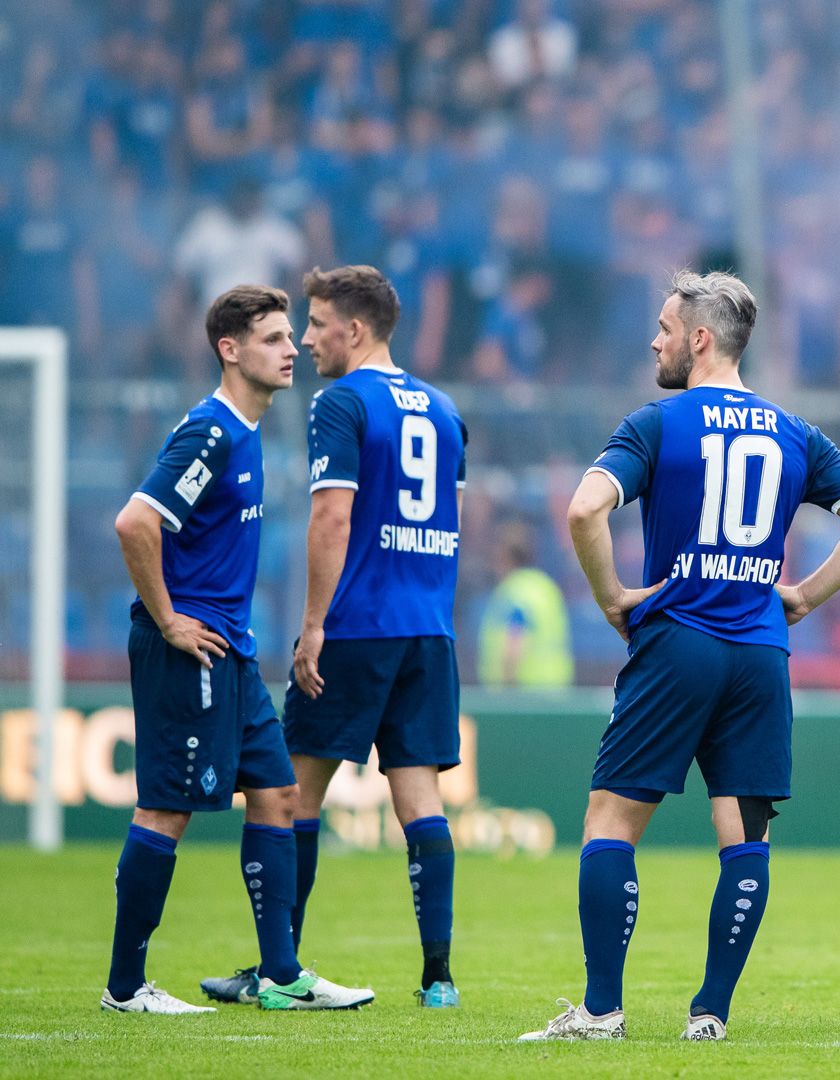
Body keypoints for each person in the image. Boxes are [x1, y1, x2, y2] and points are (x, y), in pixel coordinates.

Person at [520, 270, 840, 1042]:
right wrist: (804, 597)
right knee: (747, 836)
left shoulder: (658, 423)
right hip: (760, 649)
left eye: (663, 326)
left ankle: (600, 1012)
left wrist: (613, 596)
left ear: (699, 338)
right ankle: (710, 1015)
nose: (653, 340)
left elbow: (587, 506)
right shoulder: (795, 432)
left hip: (678, 640)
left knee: (610, 823)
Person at [210, 266, 469, 1008]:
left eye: (317, 324)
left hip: (357, 627)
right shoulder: (447, 411)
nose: (307, 340)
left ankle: (277, 970)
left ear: (355, 330)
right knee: (421, 802)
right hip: (430, 630)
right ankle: (439, 978)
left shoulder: (343, 402)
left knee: (291, 799)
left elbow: (332, 517)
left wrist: (314, 626)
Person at [106, 285, 371, 1013]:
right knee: (167, 811)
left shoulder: (249, 434)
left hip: (234, 654)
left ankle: (280, 975)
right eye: (275, 338)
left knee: (279, 794)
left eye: (293, 337)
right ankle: (125, 987)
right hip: (189, 649)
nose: (293, 349)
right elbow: (135, 523)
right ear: (231, 349)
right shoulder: (213, 433)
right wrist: (167, 621)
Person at [476, 521, 575, 689]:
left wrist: (507, 685)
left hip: (523, 692)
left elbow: (514, 643)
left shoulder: (515, 591)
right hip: (555, 688)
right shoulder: (545, 587)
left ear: (505, 556)